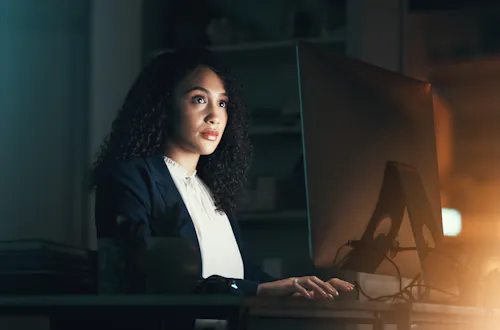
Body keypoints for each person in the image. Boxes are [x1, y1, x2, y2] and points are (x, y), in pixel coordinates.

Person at [90, 47, 354, 300]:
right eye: (199, 99)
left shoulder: (209, 188)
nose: (215, 115)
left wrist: (303, 288)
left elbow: (243, 275)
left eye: (223, 103)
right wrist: (259, 291)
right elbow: (144, 280)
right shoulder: (130, 178)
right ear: (163, 105)